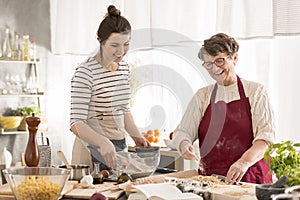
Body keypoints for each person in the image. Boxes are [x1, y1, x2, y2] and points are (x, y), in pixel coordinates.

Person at [172, 33, 275, 184]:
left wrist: (243, 163)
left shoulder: (256, 92)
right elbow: (182, 132)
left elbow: (266, 139)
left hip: (251, 179)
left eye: (219, 61)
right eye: (209, 64)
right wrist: (184, 144)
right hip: (212, 181)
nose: (215, 68)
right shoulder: (203, 96)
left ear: (234, 58)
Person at [70, 5, 149, 170]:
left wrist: (136, 136)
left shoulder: (124, 68)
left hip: (118, 147)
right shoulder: (86, 71)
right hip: (90, 150)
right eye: (115, 45)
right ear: (100, 41)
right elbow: (76, 123)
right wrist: (102, 141)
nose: (121, 51)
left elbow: (124, 109)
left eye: (126, 44)